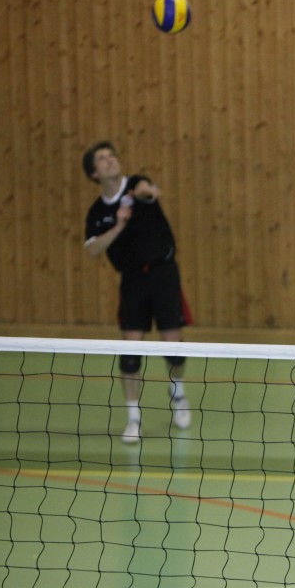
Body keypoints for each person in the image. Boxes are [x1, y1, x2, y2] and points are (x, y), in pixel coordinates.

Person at [82, 141, 191, 444]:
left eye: (111, 155)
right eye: (102, 159)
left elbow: (148, 190)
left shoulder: (135, 184)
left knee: (174, 349)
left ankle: (178, 394)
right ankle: (134, 419)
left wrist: (145, 192)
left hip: (164, 274)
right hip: (132, 281)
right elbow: (92, 249)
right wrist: (118, 226)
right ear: (94, 173)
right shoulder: (97, 212)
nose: (109, 160)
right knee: (130, 355)